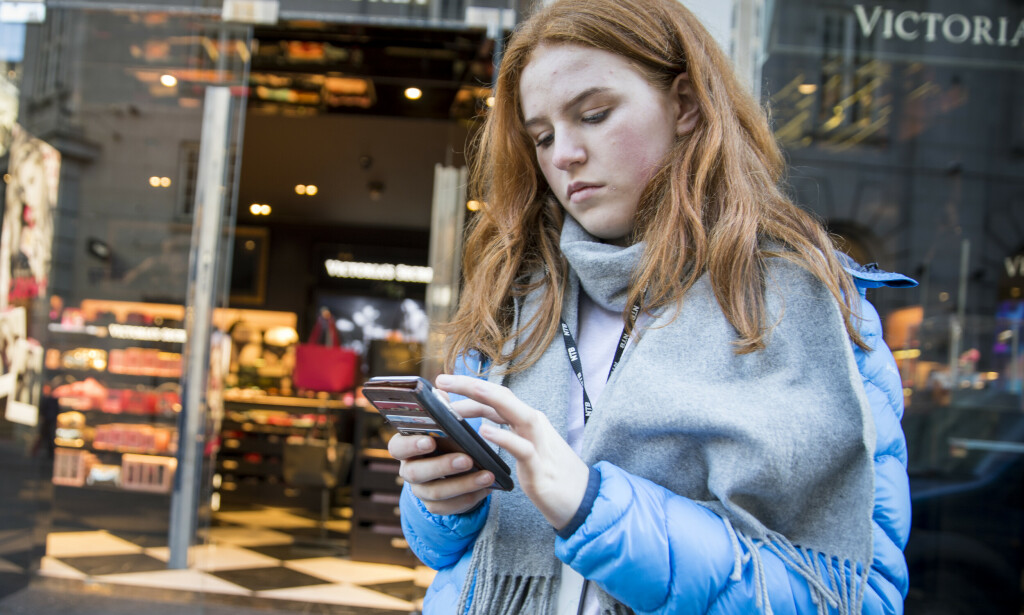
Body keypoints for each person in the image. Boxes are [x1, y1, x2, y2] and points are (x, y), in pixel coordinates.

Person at [389, 0, 914, 613]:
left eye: (594, 114)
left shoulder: (809, 310)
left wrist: (595, 509)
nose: (564, 155)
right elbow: (446, 559)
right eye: (543, 136)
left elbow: (855, 597)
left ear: (686, 105)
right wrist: (440, 501)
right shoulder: (520, 293)